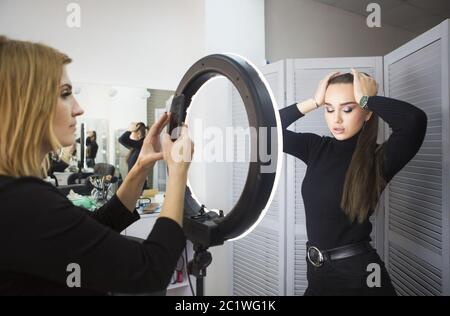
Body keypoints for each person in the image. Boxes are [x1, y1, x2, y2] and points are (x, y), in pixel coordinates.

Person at [0, 36, 194, 295]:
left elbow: (97, 226)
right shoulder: (22, 201)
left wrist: (139, 168)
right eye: (65, 94)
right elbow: (150, 271)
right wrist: (178, 174)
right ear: (26, 105)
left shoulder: (15, 196)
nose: (79, 109)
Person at [280, 70, 427, 296]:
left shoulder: (379, 159)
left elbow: (414, 121)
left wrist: (366, 99)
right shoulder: (315, 148)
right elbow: (263, 130)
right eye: (329, 109)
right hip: (317, 271)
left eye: (348, 109)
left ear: (367, 113)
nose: (336, 119)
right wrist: (313, 101)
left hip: (361, 274)